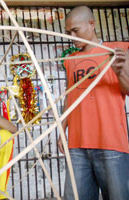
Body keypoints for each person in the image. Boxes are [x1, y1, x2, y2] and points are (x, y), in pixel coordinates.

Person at [57, 6, 129, 200]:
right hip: (77, 142)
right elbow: (69, 96)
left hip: (110, 141)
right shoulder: (71, 59)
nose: (72, 36)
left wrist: (121, 71)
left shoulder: (118, 50)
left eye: (75, 30)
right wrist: (62, 129)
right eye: (68, 32)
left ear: (92, 24)